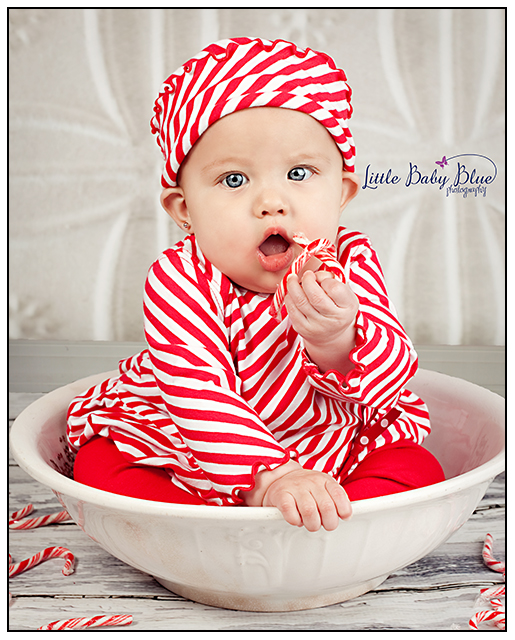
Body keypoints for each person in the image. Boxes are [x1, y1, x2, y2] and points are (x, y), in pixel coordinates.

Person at [68, 37, 444, 533]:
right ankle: (206, 530)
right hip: (190, 446)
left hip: (332, 443)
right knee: (100, 466)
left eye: (299, 173)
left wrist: (338, 339)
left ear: (342, 192)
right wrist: (271, 477)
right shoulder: (179, 276)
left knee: (416, 469)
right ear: (184, 209)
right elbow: (197, 392)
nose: (271, 202)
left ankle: (333, 517)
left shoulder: (351, 261)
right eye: (233, 180)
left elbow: (393, 375)